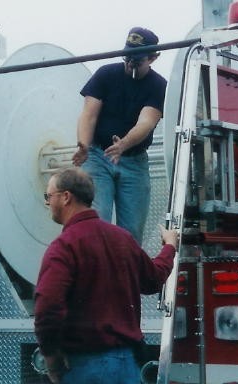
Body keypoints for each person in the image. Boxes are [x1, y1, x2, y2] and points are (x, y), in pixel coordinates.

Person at [34, 168, 177, 384]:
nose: (47, 203)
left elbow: (47, 308)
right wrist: (169, 247)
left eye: (48, 196)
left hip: (84, 367)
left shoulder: (63, 247)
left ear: (66, 197)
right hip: (127, 365)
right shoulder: (122, 238)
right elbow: (153, 279)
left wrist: (51, 359)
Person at [72, 26, 167, 244]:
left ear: (153, 58)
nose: (130, 64)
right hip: (97, 157)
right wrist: (84, 145)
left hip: (134, 162)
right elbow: (89, 114)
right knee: (95, 221)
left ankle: (127, 275)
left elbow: (147, 121)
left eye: (137, 60)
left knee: (131, 232)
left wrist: (123, 144)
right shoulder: (106, 74)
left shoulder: (158, 85)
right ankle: (97, 273)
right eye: (127, 57)